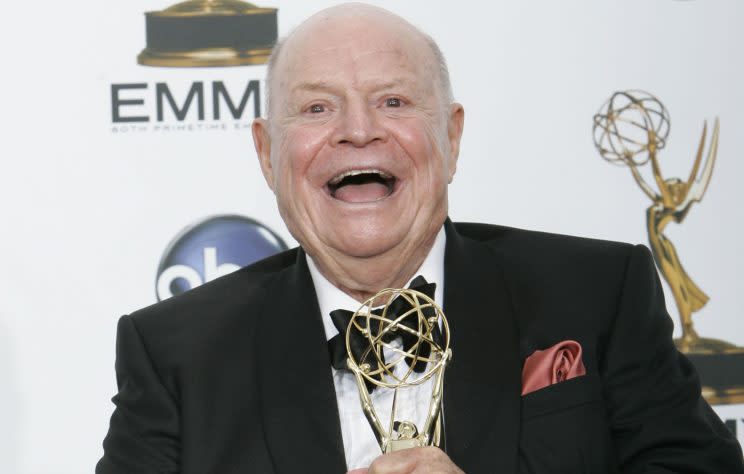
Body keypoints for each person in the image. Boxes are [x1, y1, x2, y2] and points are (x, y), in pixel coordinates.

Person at [96, 3, 744, 473]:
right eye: (317, 107)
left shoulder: (597, 292)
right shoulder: (174, 353)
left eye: (394, 102)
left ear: (452, 136)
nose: (357, 131)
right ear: (267, 153)